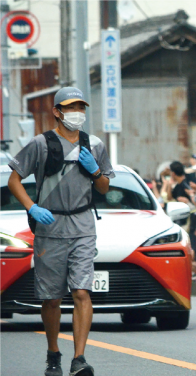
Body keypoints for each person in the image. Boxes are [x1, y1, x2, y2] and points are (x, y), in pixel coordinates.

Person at [7, 87, 114, 376]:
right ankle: (53, 352)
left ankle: (79, 359)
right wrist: (31, 207)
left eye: (81, 107)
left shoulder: (95, 145)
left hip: (82, 225)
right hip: (49, 226)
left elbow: (104, 187)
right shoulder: (40, 144)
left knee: (81, 291)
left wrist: (95, 172)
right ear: (57, 111)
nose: (77, 112)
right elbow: (14, 180)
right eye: (70, 107)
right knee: (51, 298)